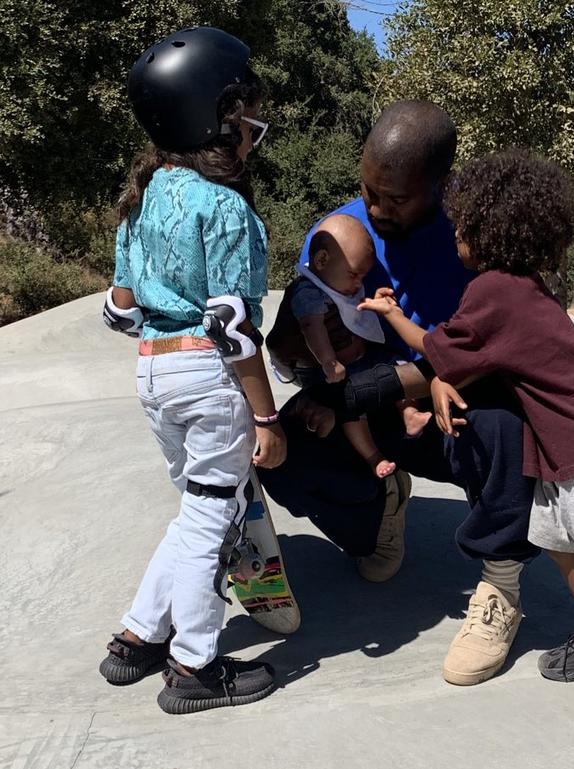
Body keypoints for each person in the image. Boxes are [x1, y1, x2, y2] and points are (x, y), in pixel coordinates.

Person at [359, 149, 574, 718]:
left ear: (492, 230)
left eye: (465, 225)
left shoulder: (495, 291)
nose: (455, 235)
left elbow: (439, 350)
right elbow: (469, 357)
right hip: (558, 440)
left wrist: (389, 315)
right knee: (558, 544)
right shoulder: (525, 284)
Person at [258, 101, 540, 686]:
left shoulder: (473, 241)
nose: (377, 208)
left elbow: (489, 352)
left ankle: (500, 587)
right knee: (282, 453)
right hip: (367, 413)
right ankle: (379, 506)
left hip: (443, 411)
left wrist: (386, 385)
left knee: (509, 422)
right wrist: (301, 361)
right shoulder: (338, 236)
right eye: (368, 190)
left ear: (440, 186)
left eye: (396, 198)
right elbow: (292, 350)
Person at [97, 27, 281, 714]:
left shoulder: (140, 201)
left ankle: (138, 635)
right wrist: (265, 414)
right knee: (214, 519)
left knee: (198, 508)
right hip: (208, 374)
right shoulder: (226, 208)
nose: (254, 125)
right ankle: (194, 665)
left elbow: (118, 312)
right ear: (217, 116)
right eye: (245, 111)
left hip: (152, 370)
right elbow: (233, 327)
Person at [266, 217, 430, 479]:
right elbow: (312, 327)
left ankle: (410, 413)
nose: (357, 284)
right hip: (332, 371)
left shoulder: (339, 281)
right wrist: (329, 361)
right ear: (321, 261)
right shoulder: (308, 291)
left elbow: (356, 311)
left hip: (363, 360)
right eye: (354, 275)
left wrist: (376, 302)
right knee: (351, 408)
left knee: (398, 364)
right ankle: (373, 458)